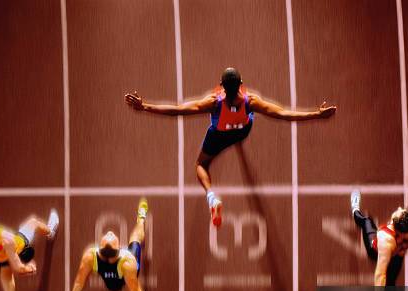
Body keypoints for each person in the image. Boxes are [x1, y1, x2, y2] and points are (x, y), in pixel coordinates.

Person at [125, 67, 337, 227]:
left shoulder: (213, 102)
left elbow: (178, 110)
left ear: (221, 85)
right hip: (241, 131)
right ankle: (237, 144)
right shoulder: (250, 101)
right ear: (241, 83)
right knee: (242, 131)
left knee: (200, 164)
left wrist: (144, 107)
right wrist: (316, 115)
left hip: (218, 136)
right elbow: (284, 114)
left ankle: (211, 196)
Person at [66, 198, 159, 291]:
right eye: (110, 236)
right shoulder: (119, 259)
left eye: (109, 236)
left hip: (118, 274)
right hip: (117, 274)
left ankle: (141, 218)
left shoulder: (93, 257)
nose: (109, 232)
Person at [350, 191, 408, 286]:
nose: (399, 208)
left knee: (366, 220)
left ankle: (355, 210)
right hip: (396, 255)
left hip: (376, 252)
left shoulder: (385, 239)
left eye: (399, 212)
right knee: (390, 283)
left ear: (395, 226)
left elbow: (380, 275)